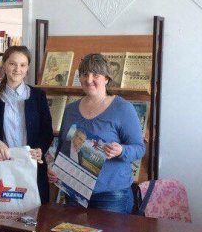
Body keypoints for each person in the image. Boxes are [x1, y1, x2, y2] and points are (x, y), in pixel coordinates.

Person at [48, 53, 145, 214]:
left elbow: (139, 148)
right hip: (75, 192)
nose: (89, 80)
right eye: (85, 74)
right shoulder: (71, 110)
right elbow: (63, 148)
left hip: (111, 195)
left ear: (106, 78)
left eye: (96, 75)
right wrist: (55, 169)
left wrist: (121, 150)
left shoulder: (123, 108)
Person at [0, 45, 53, 204]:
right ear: (4, 65)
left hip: (32, 166)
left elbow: (47, 131)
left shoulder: (38, 96)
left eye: (22, 65)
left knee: (37, 215)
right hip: (2, 168)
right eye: (12, 64)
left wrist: (40, 149)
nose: (17, 69)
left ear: (27, 68)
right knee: (6, 214)